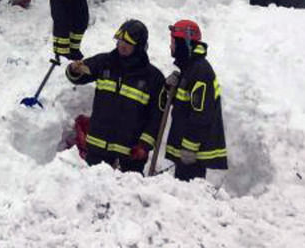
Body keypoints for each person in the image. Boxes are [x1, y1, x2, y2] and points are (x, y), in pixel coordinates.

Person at [65, 19, 166, 173]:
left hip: (130, 154)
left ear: (139, 47)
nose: (122, 45)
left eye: (128, 43)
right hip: (97, 147)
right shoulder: (104, 62)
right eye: (120, 40)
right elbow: (78, 75)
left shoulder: (153, 78)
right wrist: (74, 69)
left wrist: (144, 146)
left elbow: (156, 118)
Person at [165, 19, 228, 182]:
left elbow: (201, 114)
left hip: (193, 154)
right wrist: (172, 87)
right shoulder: (190, 69)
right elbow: (184, 107)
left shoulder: (200, 71)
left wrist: (189, 147)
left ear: (183, 43)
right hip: (188, 150)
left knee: (187, 194)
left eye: (173, 42)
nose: (170, 46)